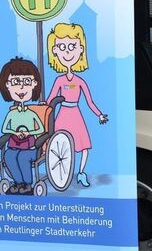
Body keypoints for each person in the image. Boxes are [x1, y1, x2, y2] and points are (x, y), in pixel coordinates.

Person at [46, 23, 108, 188]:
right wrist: (43, 109)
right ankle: (61, 173)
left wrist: (99, 114)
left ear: (81, 50)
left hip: (76, 113)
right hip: (63, 113)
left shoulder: (80, 81)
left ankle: (81, 173)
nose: (67, 52)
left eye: (72, 46)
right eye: (62, 47)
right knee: (59, 143)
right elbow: (51, 98)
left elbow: (89, 101)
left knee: (84, 146)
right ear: (55, 51)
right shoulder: (59, 79)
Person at [0, 58, 45, 195]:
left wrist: (28, 133)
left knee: (23, 157)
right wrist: (14, 132)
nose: (21, 87)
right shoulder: (12, 114)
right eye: (15, 82)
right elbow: (4, 129)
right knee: (9, 156)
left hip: (30, 147)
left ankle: (27, 184)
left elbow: (41, 129)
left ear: (34, 84)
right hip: (14, 145)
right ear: (7, 85)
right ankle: (18, 182)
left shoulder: (31, 114)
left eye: (26, 82)